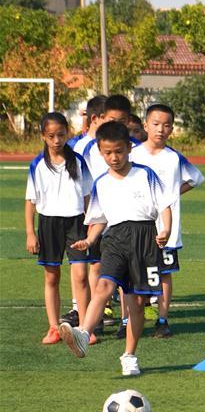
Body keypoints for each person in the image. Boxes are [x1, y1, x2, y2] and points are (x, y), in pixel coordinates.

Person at [58, 120, 172, 376]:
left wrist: (165, 229)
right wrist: (89, 240)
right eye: (107, 152)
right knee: (103, 285)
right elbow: (99, 219)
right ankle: (83, 334)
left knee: (137, 302)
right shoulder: (101, 183)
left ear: (129, 148)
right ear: (100, 151)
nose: (114, 157)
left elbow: (164, 204)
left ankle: (129, 355)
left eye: (119, 151)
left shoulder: (145, 175)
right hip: (115, 239)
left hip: (145, 238)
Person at [131, 103, 204, 337]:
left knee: (164, 273)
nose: (161, 129)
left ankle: (162, 320)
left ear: (172, 129)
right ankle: (127, 320)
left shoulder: (174, 158)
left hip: (166, 228)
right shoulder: (132, 154)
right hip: (136, 225)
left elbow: (196, 178)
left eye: (166, 125)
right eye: (156, 124)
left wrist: (172, 194)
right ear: (145, 125)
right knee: (134, 272)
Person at [25, 111, 92, 344]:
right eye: (51, 136)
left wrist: (92, 224)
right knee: (52, 276)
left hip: (76, 223)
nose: (57, 140)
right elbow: (30, 201)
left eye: (61, 135)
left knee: (81, 276)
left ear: (67, 133)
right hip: (48, 223)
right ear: (43, 136)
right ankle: (53, 327)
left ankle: (84, 327)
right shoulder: (37, 165)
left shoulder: (78, 162)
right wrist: (30, 233)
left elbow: (87, 196)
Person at [81, 93, 139, 339]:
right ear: (102, 118)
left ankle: (126, 321)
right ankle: (97, 317)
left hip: (130, 225)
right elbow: (82, 181)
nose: (113, 157)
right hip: (99, 216)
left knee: (129, 282)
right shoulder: (88, 148)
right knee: (97, 267)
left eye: (122, 120)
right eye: (113, 119)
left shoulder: (134, 150)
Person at [60, 94, 107, 329]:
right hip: (81, 214)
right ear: (96, 118)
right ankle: (79, 308)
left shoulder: (114, 144)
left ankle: (98, 310)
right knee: (80, 266)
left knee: (99, 263)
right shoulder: (75, 146)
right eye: (109, 118)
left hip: (107, 212)